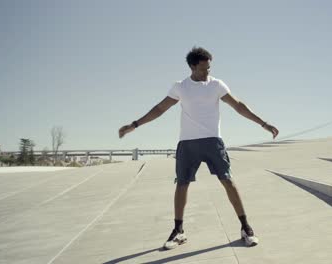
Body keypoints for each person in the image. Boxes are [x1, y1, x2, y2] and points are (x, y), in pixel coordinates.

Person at [118, 47, 279, 250]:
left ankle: (245, 227)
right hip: (187, 143)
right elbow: (159, 109)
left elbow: (238, 106)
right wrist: (134, 125)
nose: (207, 72)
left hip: (213, 141)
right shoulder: (180, 87)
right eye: (203, 69)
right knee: (182, 185)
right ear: (192, 67)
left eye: (209, 68)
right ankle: (178, 231)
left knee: (228, 181)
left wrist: (263, 123)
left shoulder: (216, 85)